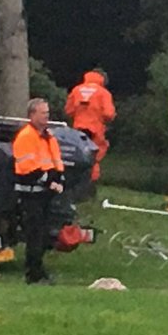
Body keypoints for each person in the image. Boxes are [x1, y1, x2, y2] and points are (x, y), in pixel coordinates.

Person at [13, 98, 65, 285]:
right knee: (34, 234)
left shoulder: (48, 136)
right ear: (32, 115)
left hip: (45, 193)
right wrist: (49, 182)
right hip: (31, 194)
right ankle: (33, 274)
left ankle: (39, 271)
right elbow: (27, 168)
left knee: (43, 235)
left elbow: (56, 161)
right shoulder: (26, 136)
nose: (47, 116)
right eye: (43, 113)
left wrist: (59, 180)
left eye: (48, 113)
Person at [65, 69, 116, 182]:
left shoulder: (76, 90)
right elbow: (109, 114)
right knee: (94, 156)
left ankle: (76, 181)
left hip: (78, 129)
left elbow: (69, 111)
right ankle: (90, 183)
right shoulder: (103, 93)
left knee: (78, 155)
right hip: (95, 129)